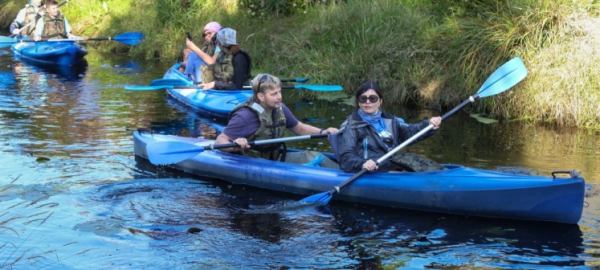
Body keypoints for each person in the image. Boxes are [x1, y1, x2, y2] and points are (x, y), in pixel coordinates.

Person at [215, 74, 338, 166]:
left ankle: (346, 174)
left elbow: (299, 128)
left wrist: (323, 132)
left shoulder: (280, 109)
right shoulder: (245, 116)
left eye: (279, 92)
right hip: (252, 163)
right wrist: (236, 144)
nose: (279, 97)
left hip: (275, 158)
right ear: (261, 97)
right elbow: (220, 141)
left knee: (312, 156)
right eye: (274, 94)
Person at [337, 81, 443, 173]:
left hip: (391, 164)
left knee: (417, 162)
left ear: (380, 102)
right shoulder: (352, 125)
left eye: (373, 98)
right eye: (363, 98)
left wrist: (428, 125)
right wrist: (362, 163)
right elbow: (345, 157)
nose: (368, 101)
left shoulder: (391, 120)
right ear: (359, 103)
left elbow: (409, 132)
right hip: (371, 169)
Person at [186, 27, 251, 90]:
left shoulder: (239, 58)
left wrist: (215, 84)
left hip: (237, 92)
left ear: (219, 43)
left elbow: (238, 86)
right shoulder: (222, 54)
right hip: (222, 89)